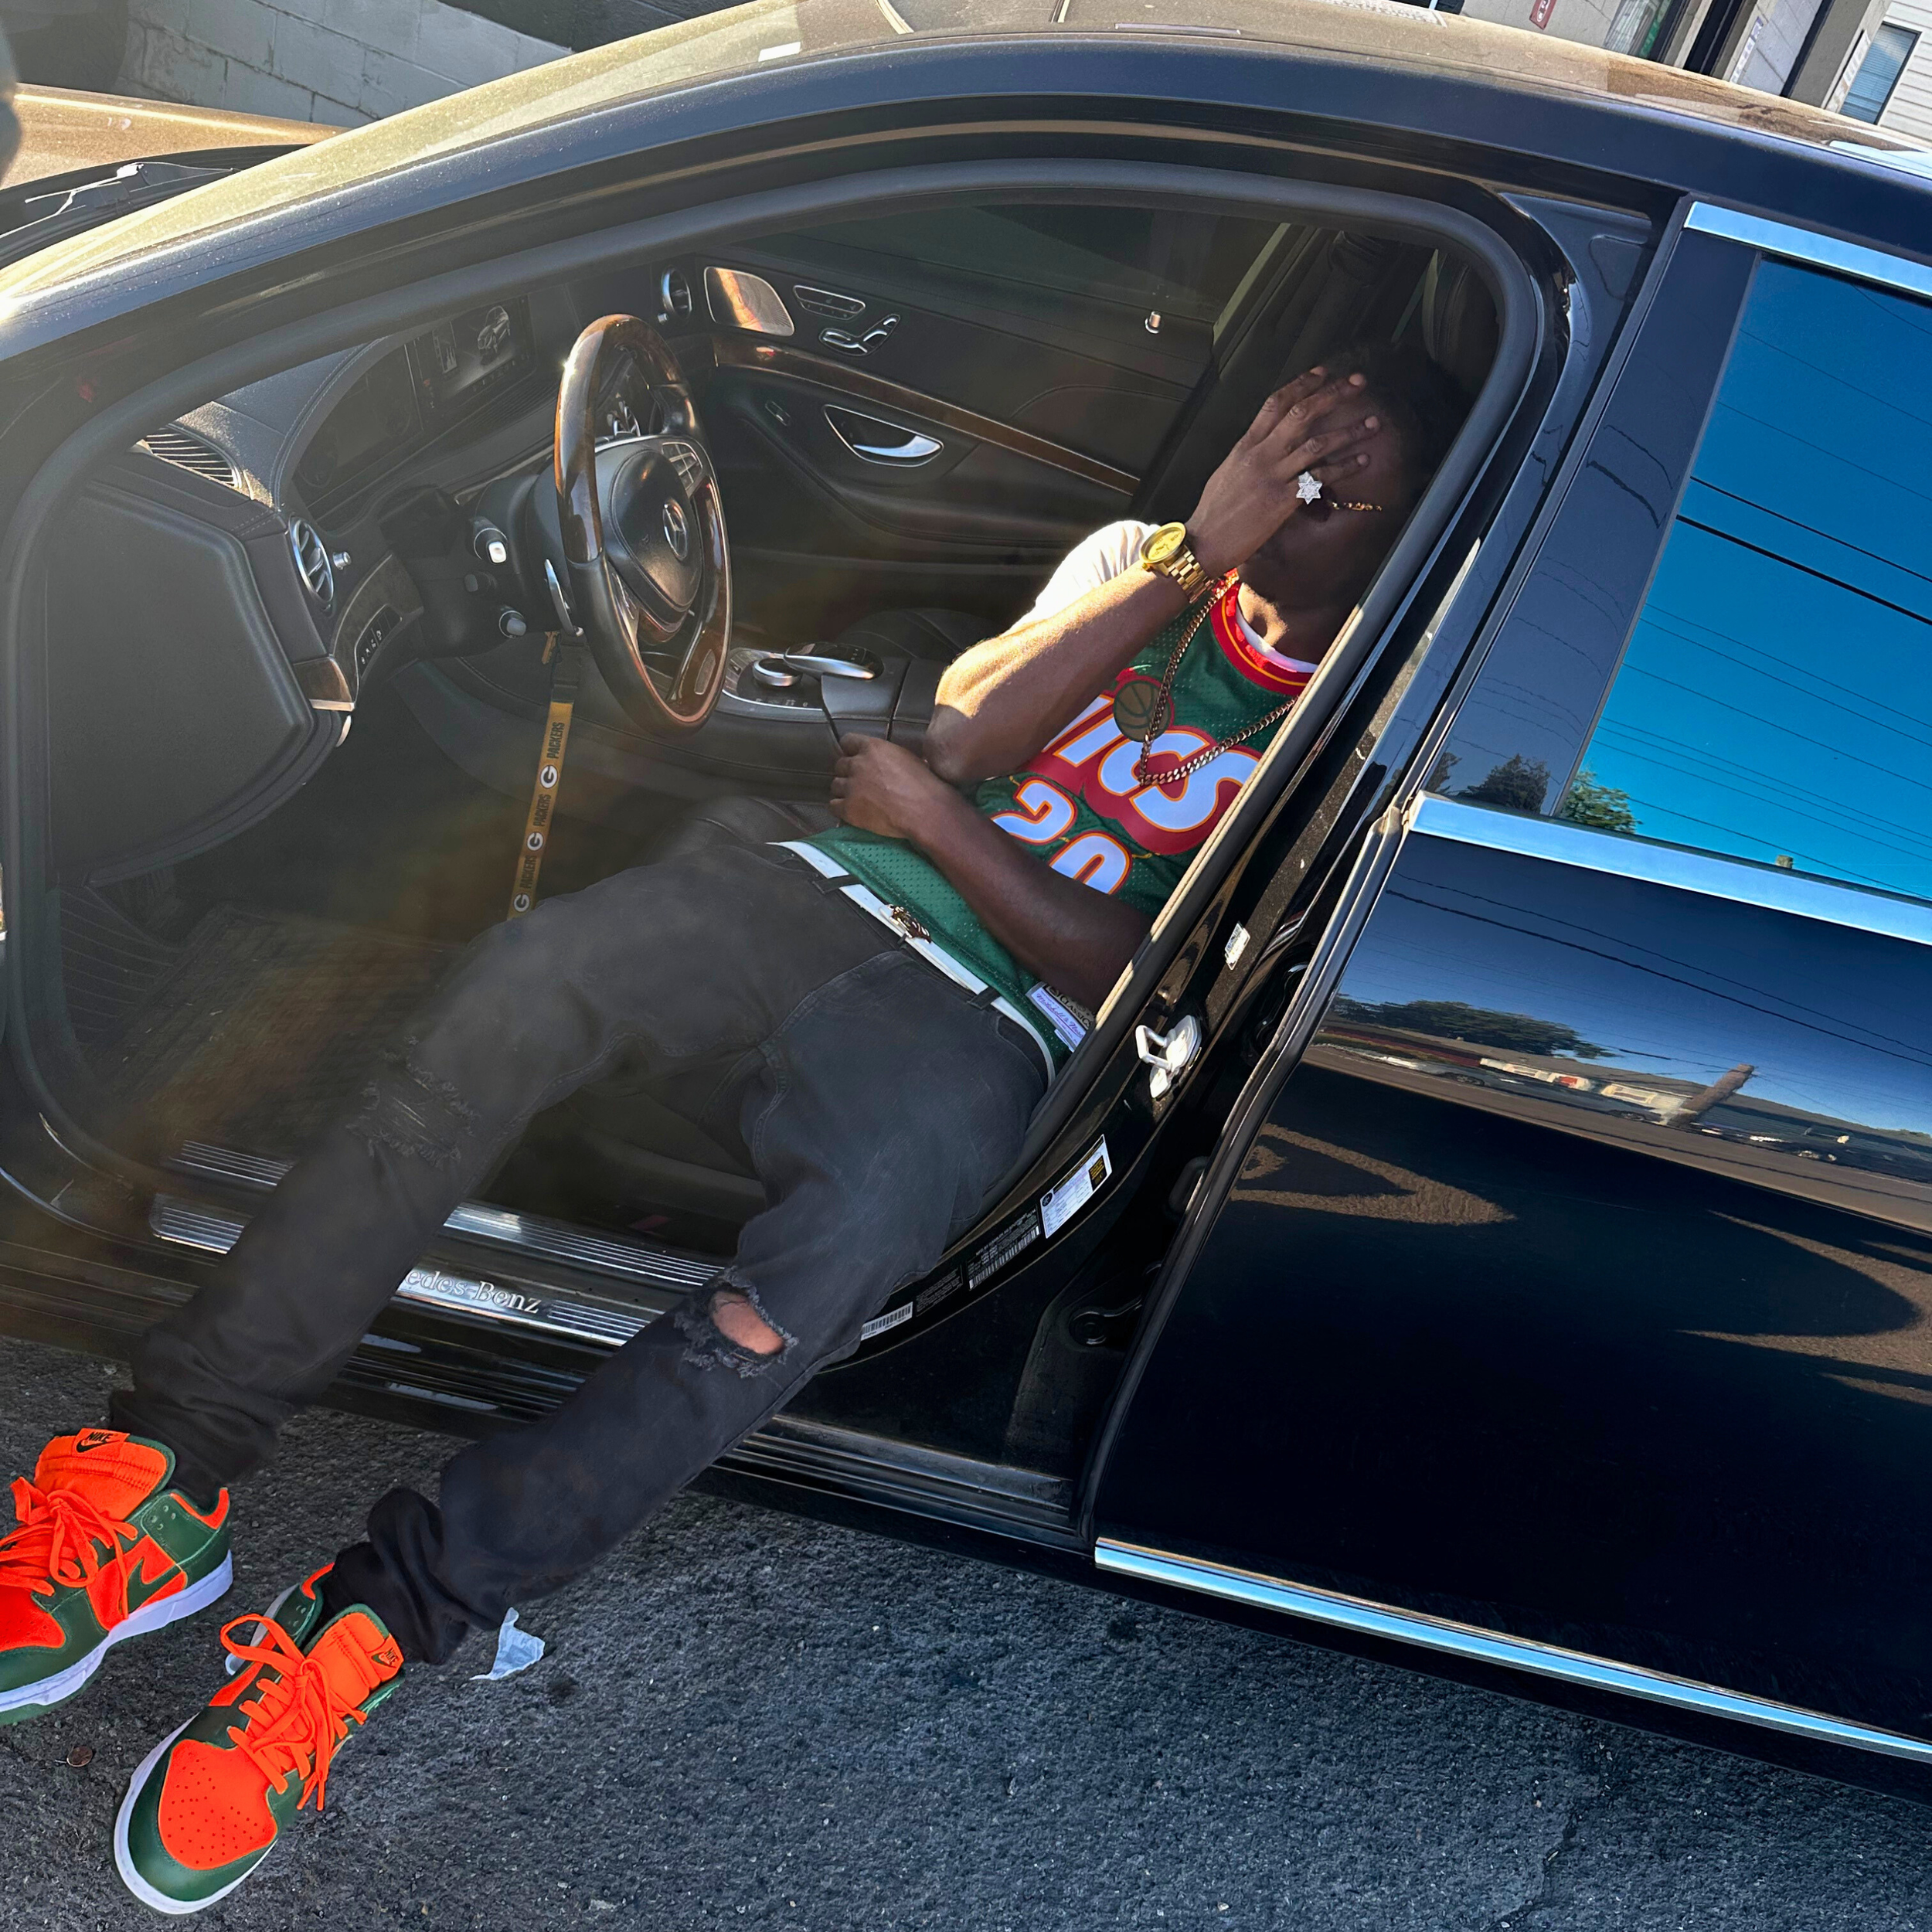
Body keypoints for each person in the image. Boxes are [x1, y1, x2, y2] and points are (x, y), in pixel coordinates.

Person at [0, 344, 1463, 1913]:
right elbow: (965, 732)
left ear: (1408, 532)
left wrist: (938, 826)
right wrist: (1190, 554)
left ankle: (377, 1619)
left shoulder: (1363, 710)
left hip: (992, 1032)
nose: (1288, 485)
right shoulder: (1143, 568)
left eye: (1333, 484)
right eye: (1278, 444)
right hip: (818, 891)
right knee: (517, 984)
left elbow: (1134, 967)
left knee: (811, 1279)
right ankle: (169, 1465)